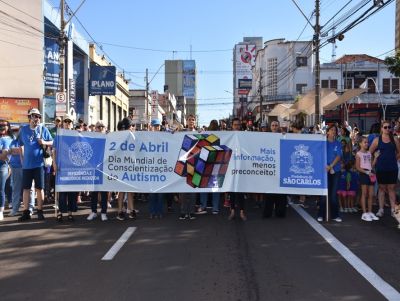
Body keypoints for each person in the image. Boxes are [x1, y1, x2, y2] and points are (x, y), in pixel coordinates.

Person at [18, 108, 53, 221]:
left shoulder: (43, 129)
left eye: (38, 116)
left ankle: (40, 211)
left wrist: (44, 142)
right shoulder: (23, 130)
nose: (37, 118)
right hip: (27, 166)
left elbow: (52, 142)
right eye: (34, 116)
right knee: (26, 189)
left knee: (39, 189)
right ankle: (26, 212)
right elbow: (20, 145)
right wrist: (22, 159)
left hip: (38, 165)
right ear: (29, 117)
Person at [369, 121, 400, 217]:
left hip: (392, 168)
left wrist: (394, 159)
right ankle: (381, 209)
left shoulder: (394, 139)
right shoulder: (377, 140)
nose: (387, 129)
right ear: (381, 128)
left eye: (389, 127)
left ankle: (392, 209)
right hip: (381, 168)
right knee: (381, 188)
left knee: (391, 188)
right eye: (385, 127)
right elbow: (369, 152)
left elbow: (399, 152)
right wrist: (373, 161)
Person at [53, 114, 78, 221]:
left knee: (72, 192)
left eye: (69, 122)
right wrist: (54, 163)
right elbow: (54, 151)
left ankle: (70, 213)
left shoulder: (76, 135)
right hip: (61, 168)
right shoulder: (58, 135)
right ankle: (60, 212)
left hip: (72, 168)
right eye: (66, 121)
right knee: (61, 192)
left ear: (72, 124)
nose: (68, 123)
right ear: (63, 123)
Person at [317, 124, 342, 222]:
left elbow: (338, 156)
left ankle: (335, 215)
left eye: (335, 130)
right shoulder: (323, 142)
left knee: (333, 195)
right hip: (324, 171)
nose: (333, 132)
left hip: (335, 171)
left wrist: (331, 166)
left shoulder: (338, 143)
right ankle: (320, 214)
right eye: (331, 130)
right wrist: (326, 166)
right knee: (324, 194)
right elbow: (319, 154)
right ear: (327, 132)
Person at [263, 120, 287, 218]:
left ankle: (280, 212)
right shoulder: (266, 137)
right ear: (270, 126)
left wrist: (285, 135)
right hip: (270, 166)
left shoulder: (283, 135)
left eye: (276, 125)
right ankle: (267, 213)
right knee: (269, 191)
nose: (274, 127)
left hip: (281, 166)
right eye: (272, 125)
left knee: (281, 192)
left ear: (279, 126)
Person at [87, 120, 109, 221]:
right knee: (94, 191)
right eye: (98, 127)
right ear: (95, 129)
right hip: (95, 168)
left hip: (105, 168)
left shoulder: (109, 139)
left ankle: (103, 212)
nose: (100, 128)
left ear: (105, 129)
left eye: (102, 127)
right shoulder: (92, 140)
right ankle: (94, 211)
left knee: (104, 191)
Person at [116, 117, 136, 220]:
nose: (131, 128)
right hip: (122, 166)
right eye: (130, 126)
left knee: (127, 190)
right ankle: (122, 211)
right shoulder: (121, 136)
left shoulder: (130, 136)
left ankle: (129, 210)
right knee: (123, 190)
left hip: (128, 166)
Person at [178, 114, 197, 220]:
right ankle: (183, 211)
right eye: (189, 120)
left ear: (195, 122)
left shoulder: (199, 133)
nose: (191, 121)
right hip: (184, 163)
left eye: (193, 120)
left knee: (192, 189)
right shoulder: (181, 133)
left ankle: (192, 211)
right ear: (186, 121)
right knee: (183, 190)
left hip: (194, 163)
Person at [356, 136, 379, 222]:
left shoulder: (369, 153)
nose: (367, 144)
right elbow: (357, 167)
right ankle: (364, 213)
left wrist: (376, 157)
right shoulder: (358, 154)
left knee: (371, 194)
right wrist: (366, 172)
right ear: (360, 144)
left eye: (367, 142)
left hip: (370, 173)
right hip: (364, 174)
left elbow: (371, 165)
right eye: (365, 142)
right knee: (364, 194)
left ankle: (369, 212)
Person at [228, 118, 247, 221]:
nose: (237, 126)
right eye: (235, 125)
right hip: (231, 167)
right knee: (232, 192)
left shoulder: (245, 136)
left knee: (241, 192)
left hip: (242, 167)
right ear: (232, 126)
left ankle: (242, 212)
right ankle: (232, 211)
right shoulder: (228, 136)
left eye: (238, 125)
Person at [148, 118, 164, 219]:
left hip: (161, 168)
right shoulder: (147, 137)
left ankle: (159, 211)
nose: (156, 127)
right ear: (151, 127)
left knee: (160, 194)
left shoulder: (164, 137)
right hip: (150, 168)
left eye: (158, 126)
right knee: (152, 193)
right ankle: (152, 211)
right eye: (155, 126)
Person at [0, 119, 13, 220]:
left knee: (1, 188)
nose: (3, 127)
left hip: (3, 166)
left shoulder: (8, 139)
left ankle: (1, 211)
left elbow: (4, 156)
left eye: (5, 125)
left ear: (8, 127)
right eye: (1, 125)